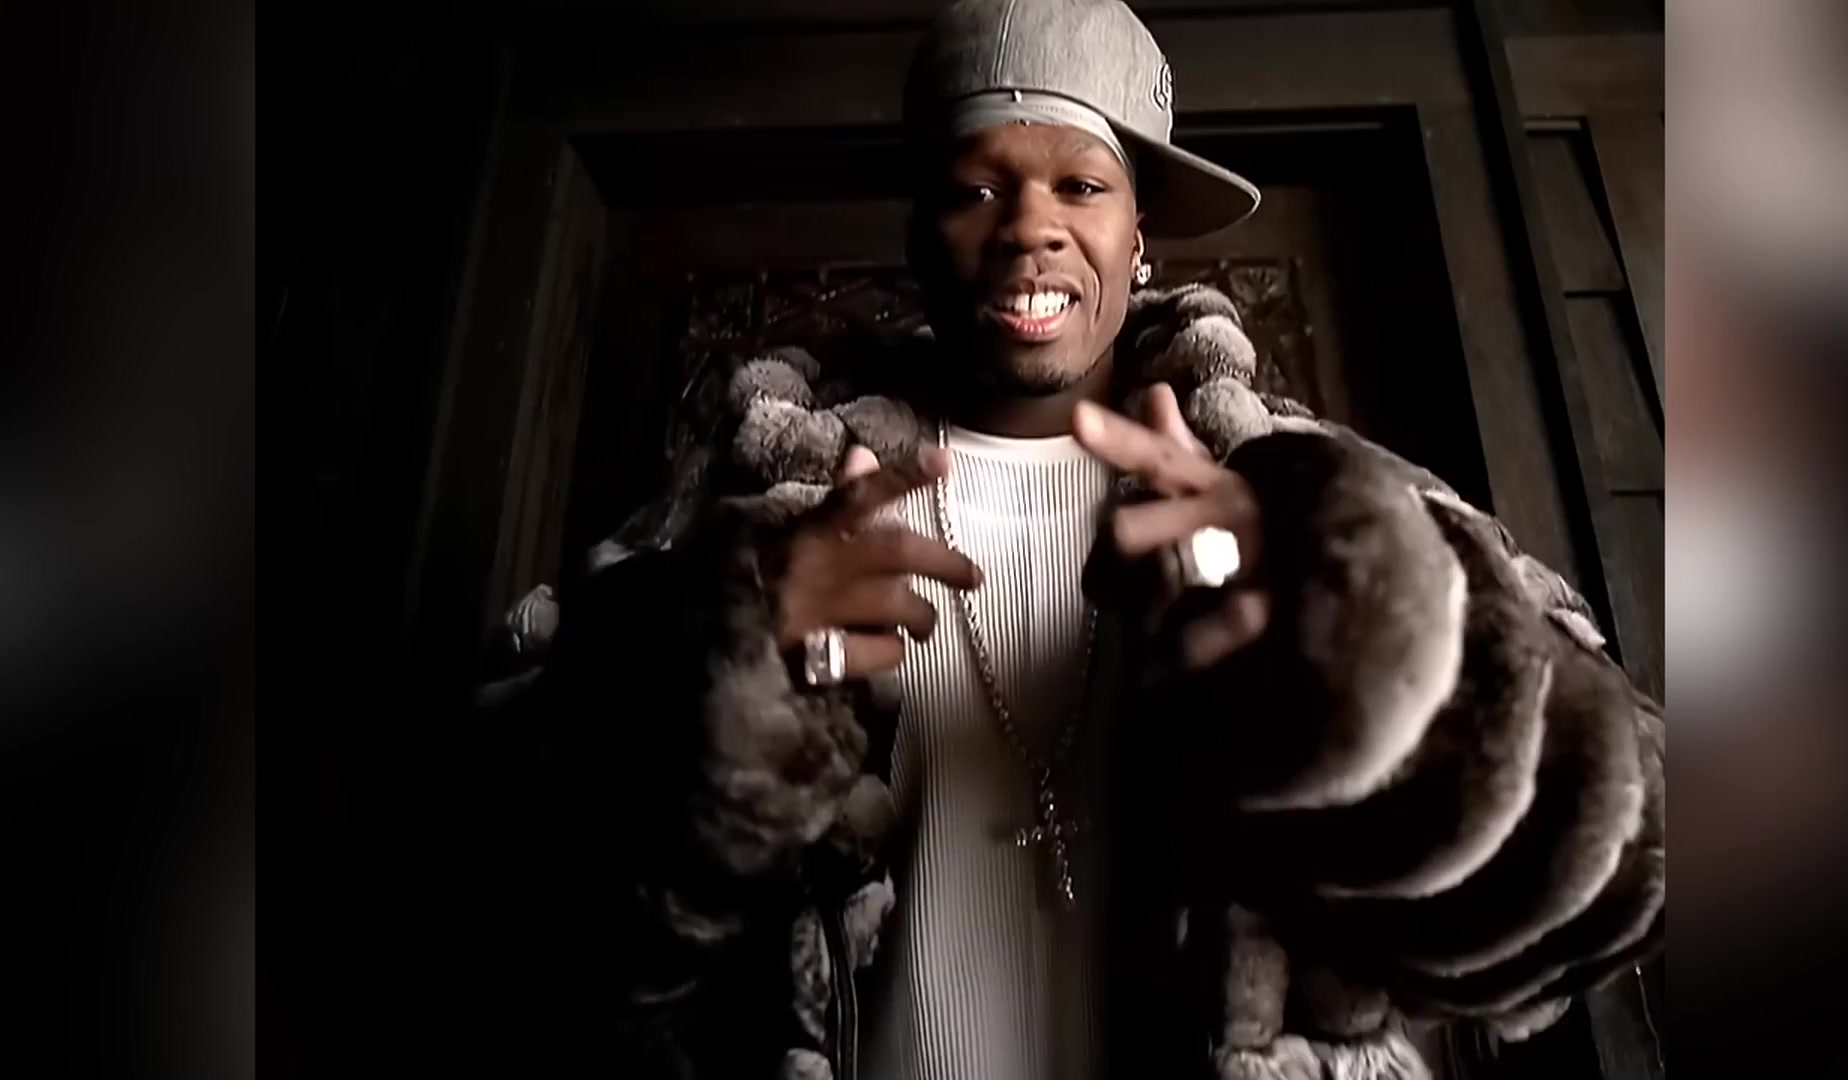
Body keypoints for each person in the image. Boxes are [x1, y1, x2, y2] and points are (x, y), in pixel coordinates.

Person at [525, 2, 1666, 1078]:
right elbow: (508, 845)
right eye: (976, 188)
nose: (1030, 226)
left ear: (1138, 239)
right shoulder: (769, 502)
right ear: (920, 236)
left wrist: (1354, 642)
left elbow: (1639, 839)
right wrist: (725, 667)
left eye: (1080, 184)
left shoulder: (1298, 498)